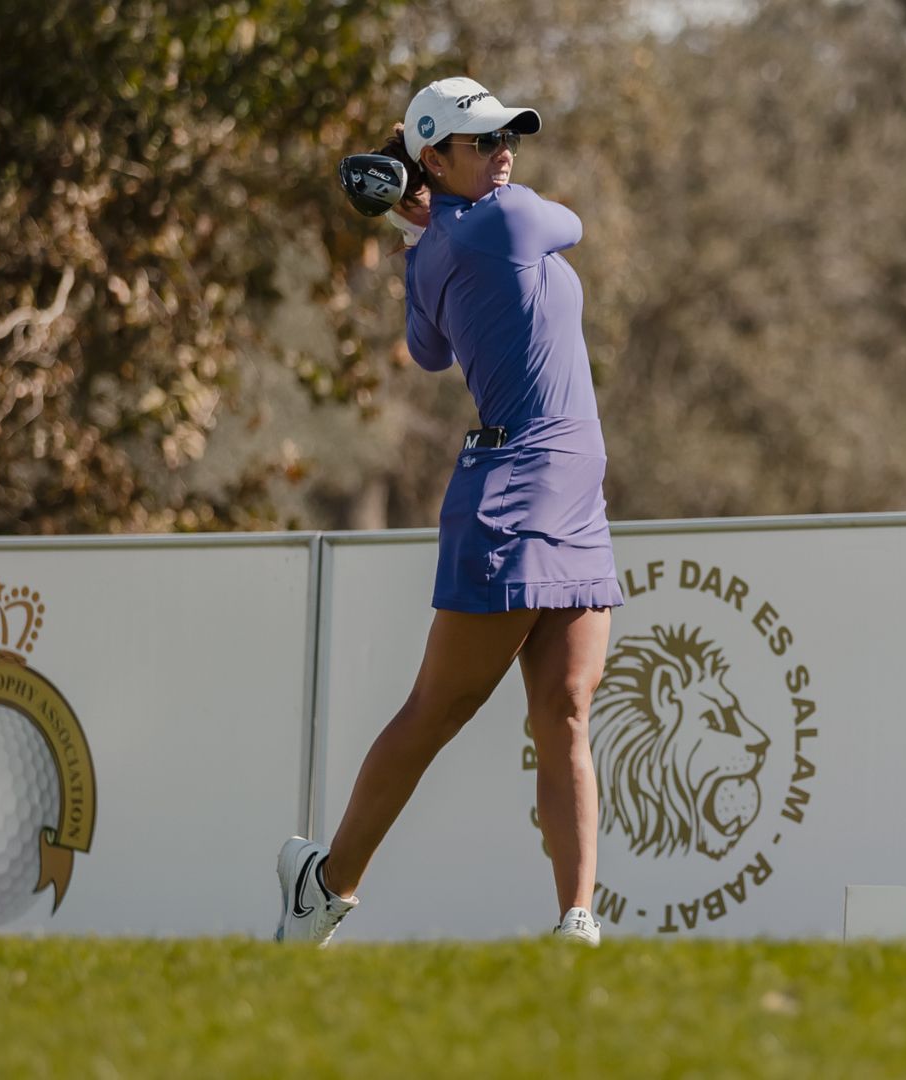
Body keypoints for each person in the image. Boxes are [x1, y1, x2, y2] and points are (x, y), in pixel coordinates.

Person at [276, 76, 621, 947]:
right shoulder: (508, 220)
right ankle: (326, 885)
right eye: (483, 140)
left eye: (509, 134)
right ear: (433, 157)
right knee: (438, 708)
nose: (506, 149)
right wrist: (436, 223)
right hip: (516, 489)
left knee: (568, 710)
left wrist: (419, 223)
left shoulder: (438, 243)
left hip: (574, 493)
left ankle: (577, 923)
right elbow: (572, 224)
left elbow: (426, 346)